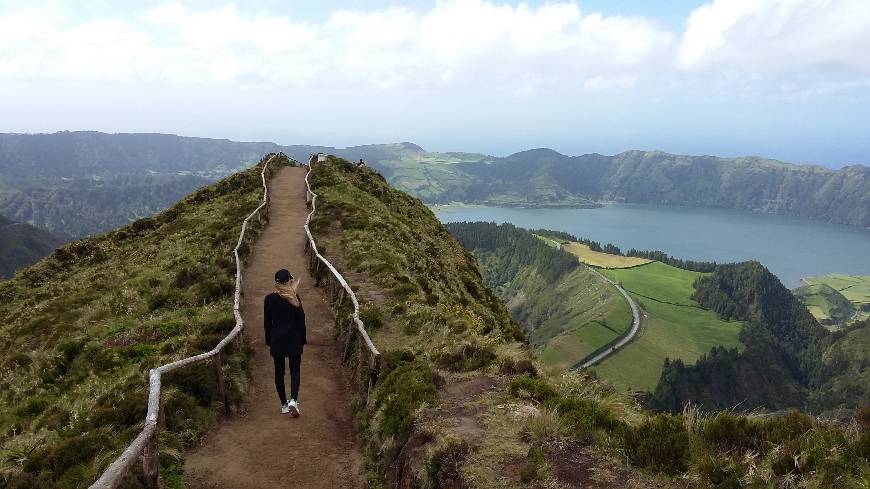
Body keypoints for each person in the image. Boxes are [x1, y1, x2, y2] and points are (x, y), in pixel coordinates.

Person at [264, 269, 306, 416]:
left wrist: (269, 340)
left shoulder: (269, 299)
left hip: (277, 340)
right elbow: (301, 321)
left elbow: (267, 323)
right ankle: (294, 399)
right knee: (295, 371)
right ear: (289, 280)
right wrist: (303, 339)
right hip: (293, 339)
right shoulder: (295, 298)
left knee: (279, 372)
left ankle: (284, 404)